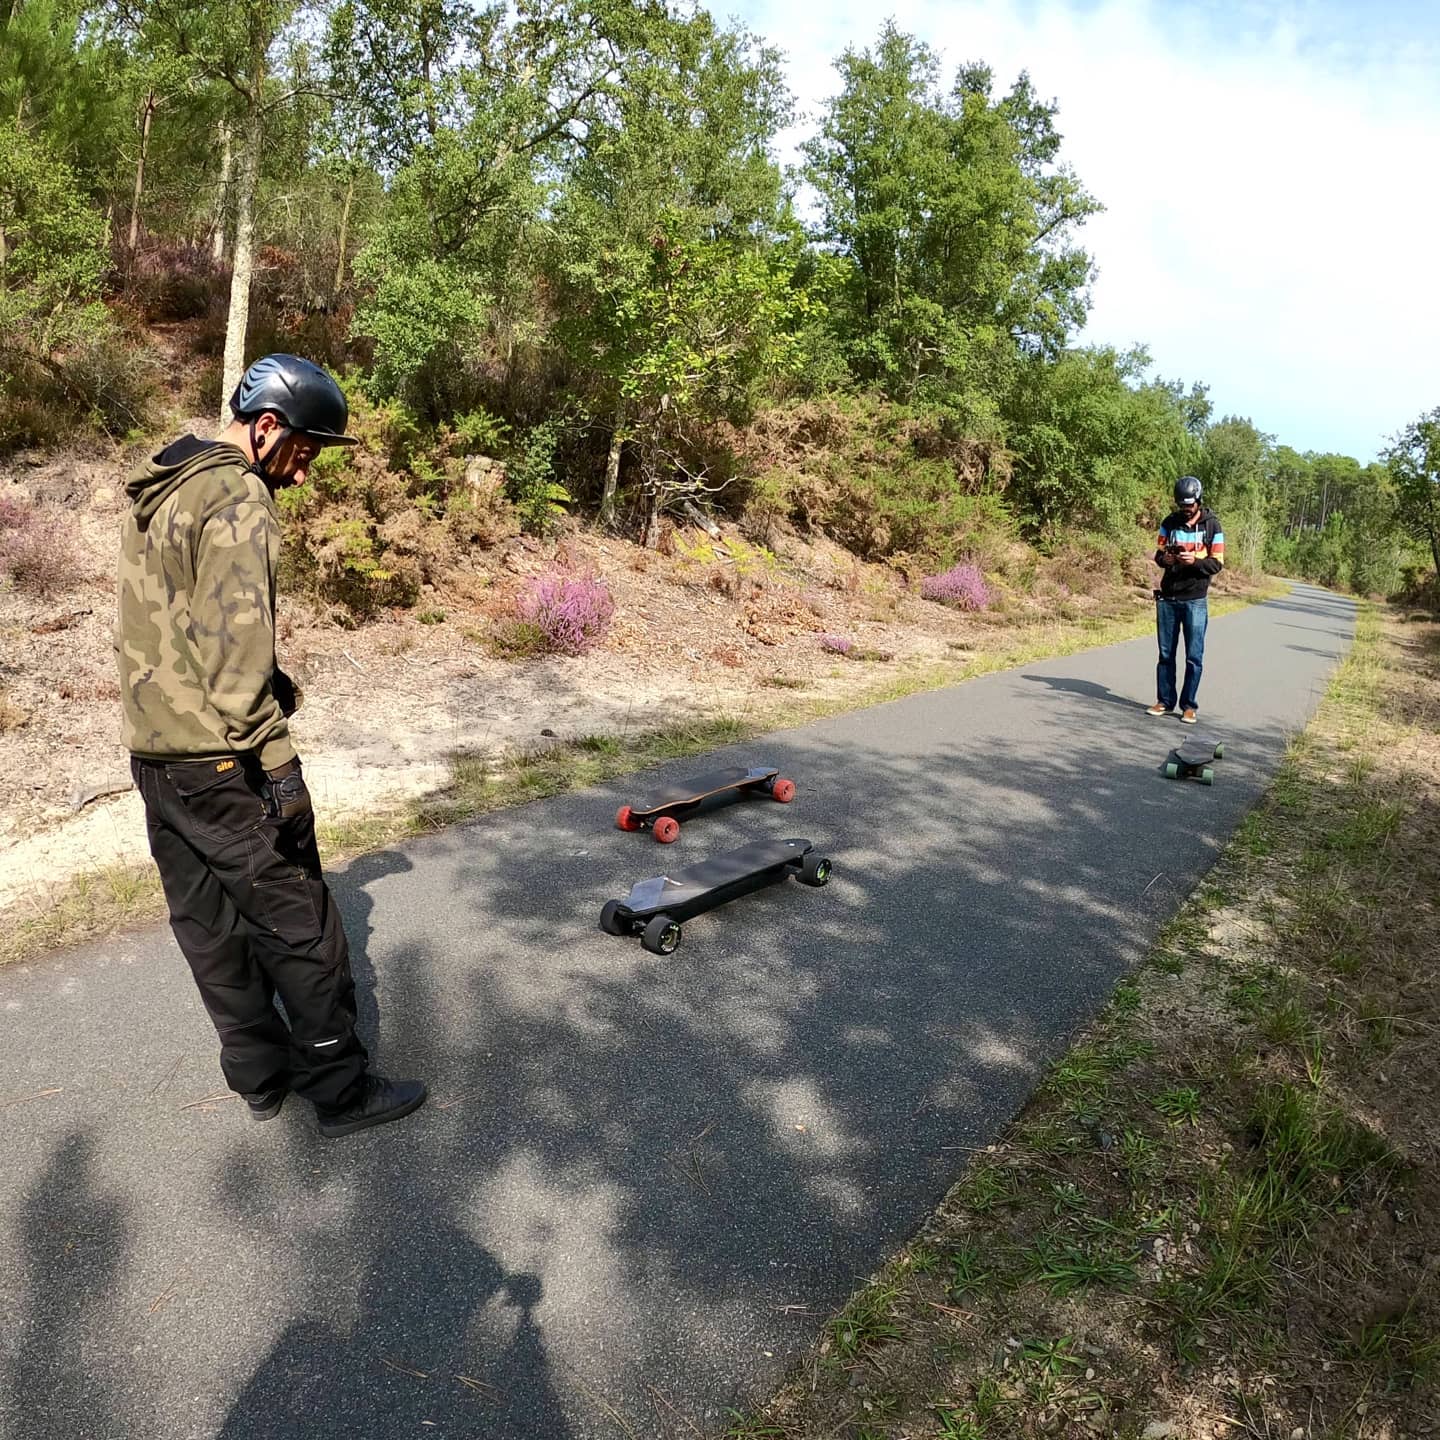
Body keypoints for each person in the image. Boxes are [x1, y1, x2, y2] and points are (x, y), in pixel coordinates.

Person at [116, 353, 426, 1138]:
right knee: (302, 925)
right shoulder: (237, 496)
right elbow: (237, 652)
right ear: (265, 427)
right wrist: (280, 768)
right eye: (304, 451)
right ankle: (341, 1089)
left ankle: (258, 1075)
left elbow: (178, 619)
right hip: (224, 759)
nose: (302, 474)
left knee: (209, 925)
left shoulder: (164, 487)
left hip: (156, 756)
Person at [1147, 475, 1225, 724]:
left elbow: (1217, 563)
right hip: (1168, 596)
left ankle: (1189, 706)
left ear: (1198, 501)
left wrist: (1196, 562)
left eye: (1189, 505)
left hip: (1195, 599)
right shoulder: (1169, 523)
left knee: (1194, 656)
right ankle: (1164, 701)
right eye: (1181, 505)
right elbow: (1159, 553)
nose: (1185, 509)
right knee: (1166, 654)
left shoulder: (1213, 526)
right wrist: (1165, 560)